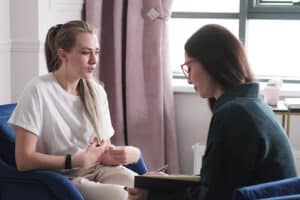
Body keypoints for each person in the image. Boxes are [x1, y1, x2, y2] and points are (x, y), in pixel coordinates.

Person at [126, 24, 297, 200]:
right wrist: (168, 183)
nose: (189, 79)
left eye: (189, 67)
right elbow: (217, 183)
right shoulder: (252, 105)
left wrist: (152, 196)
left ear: (211, 61)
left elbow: (214, 196)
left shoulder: (234, 115)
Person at [8, 20, 141, 200]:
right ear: (63, 54)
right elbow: (24, 160)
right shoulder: (38, 90)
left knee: (147, 189)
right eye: (86, 53)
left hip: (99, 169)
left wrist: (124, 154)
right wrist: (77, 160)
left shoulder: (97, 91)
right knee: (124, 196)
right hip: (65, 176)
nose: (94, 60)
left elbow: (104, 146)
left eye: (97, 52)